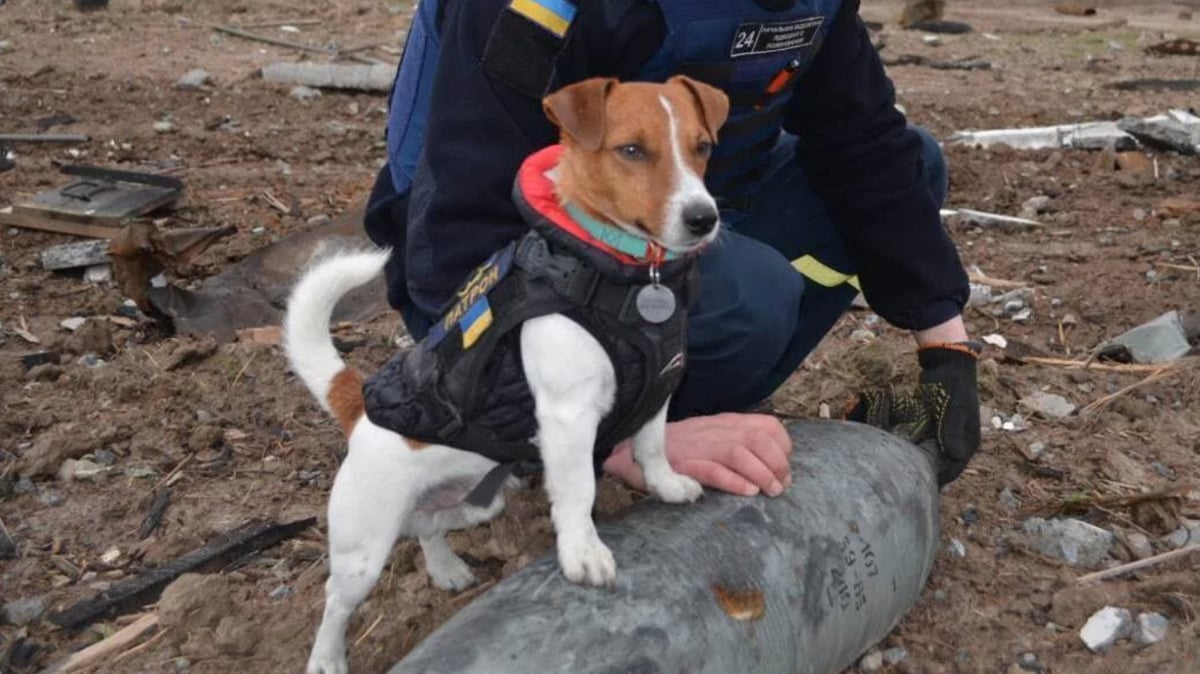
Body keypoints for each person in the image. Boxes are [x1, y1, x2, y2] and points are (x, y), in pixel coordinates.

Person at [362, 0, 982, 497]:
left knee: (912, 167)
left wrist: (947, 349)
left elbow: (864, 143)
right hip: (481, 282)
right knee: (750, 297)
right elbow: (458, 241)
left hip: (675, 219)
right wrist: (619, 442)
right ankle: (603, 425)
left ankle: (697, 393)